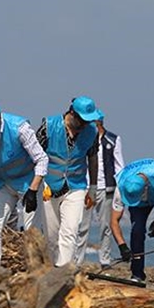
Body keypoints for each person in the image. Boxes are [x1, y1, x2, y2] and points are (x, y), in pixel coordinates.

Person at [0, 99, 49, 268]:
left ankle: (35, 269)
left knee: (31, 229)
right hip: (1, 182)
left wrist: (33, 190)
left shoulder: (19, 128)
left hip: (27, 182)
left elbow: (42, 159)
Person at [37, 97, 102, 267]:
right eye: (81, 120)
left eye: (88, 121)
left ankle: (63, 270)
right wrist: (37, 183)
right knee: (51, 236)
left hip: (75, 186)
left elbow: (93, 157)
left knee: (71, 230)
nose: (84, 125)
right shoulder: (48, 126)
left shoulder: (92, 131)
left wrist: (93, 188)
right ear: (71, 113)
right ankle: (52, 269)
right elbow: (35, 154)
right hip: (48, 187)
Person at [109, 158, 154, 283]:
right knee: (137, 231)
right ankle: (137, 273)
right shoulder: (121, 187)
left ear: (146, 187)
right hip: (139, 207)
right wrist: (122, 246)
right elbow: (114, 221)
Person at [78, 116, 125, 266]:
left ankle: (105, 259)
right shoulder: (82, 140)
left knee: (105, 225)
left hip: (106, 188)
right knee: (82, 225)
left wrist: (120, 188)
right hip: (86, 188)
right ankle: (77, 260)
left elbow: (119, 166)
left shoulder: (113, 139)